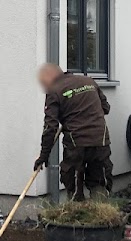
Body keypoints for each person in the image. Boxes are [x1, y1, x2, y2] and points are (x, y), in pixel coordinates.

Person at [34, 63, 112, 201]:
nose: (43, 87)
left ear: (50, 76)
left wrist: (44, 155)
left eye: (43, 82)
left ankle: (76, 211)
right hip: (100, 139)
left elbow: (50, 128)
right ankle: (102, 210)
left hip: (76, 143)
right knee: (99, 180)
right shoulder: (89, 81)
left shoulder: (54, 91)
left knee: (74, 182)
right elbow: (105, 108)